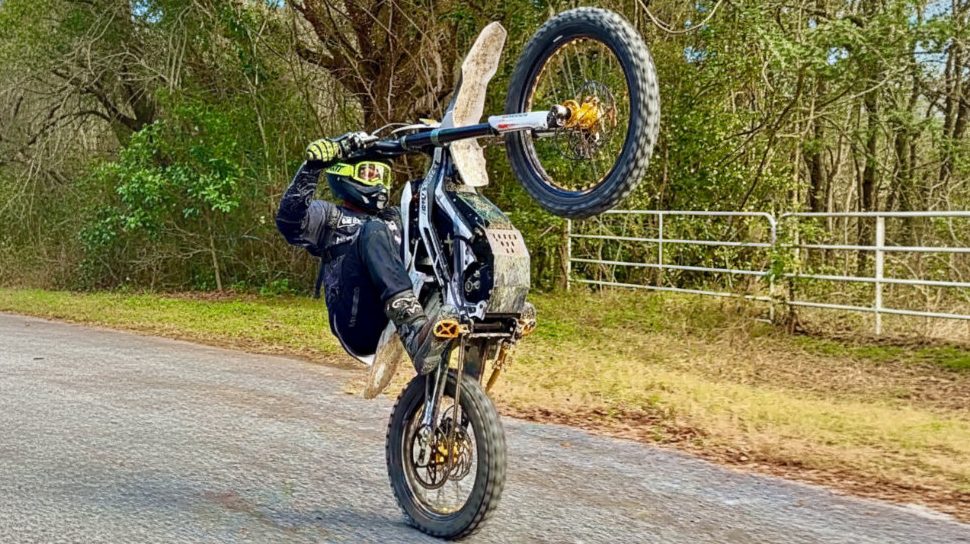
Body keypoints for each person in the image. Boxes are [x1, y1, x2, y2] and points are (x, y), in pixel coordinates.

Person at [275, 133, 448, 375]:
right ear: (344, 174)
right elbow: (289, 222)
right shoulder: (330, 216)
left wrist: (439, 152)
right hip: (357, 325)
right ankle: (412, 327)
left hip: (394, 317)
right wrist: (311, 168)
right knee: (374, 229)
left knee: (430, 219)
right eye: (369, 173)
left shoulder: (394, 217)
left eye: (383, 175)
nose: (378, 182)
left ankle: (476, 307)